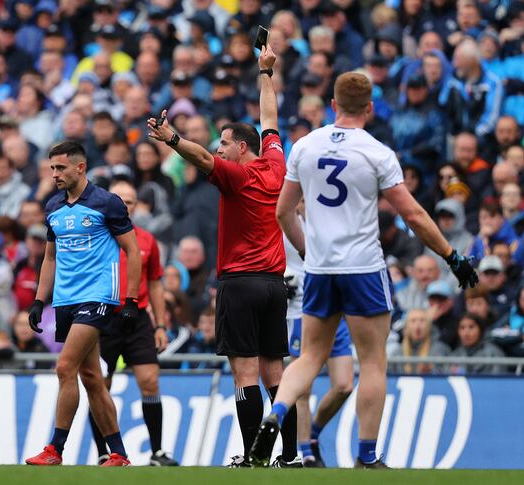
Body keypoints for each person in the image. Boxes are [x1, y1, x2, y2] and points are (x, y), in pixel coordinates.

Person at [252, 72, 478, 469]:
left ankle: (277, 413)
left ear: (333, 105)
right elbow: (413, 215)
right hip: (363, 269)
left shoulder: (305, 146)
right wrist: (451, 256)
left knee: (308, 358)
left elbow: (283, 211)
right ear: (370, 108)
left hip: (319, 272)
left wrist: (309, 251)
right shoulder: (376, 153)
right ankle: (366, 456)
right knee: (372, 362)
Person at [147, 43, 294, 468]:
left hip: (239, 284)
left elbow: (201, 157)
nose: (221, 147)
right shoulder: (275, 163)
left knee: (244, 375)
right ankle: (290, 455)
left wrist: (173, 138)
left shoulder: (236, 174)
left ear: (242, 149)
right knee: (276, 374)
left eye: (226, 142)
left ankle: (253, 458)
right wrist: (265, 72)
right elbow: (270, 117)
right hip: (273, 284)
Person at [24, 141, 141, 467]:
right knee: (91, 377)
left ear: (80, 167)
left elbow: (133, 251)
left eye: (60, 168)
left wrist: (130, 300)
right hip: (65, 300)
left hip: (98, 297)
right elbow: (50, 257)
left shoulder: (107, 203)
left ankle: (55, 449)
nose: (55, 174)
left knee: (65, 367)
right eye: (52, 168)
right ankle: (118, 453)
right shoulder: (53, 207)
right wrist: (38, 301)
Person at [86, 180, 177, 466]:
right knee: (101, 385)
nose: (126, 206)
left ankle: (157, 452)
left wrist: (160, 324)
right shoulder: (96, 237)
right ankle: (105, 452)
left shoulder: (147, 240)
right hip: (104, 318)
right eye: (121, 200)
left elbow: (155, 283)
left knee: (150, 381)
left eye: (131, 202)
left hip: (136, 317)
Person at [283, 208, 353, 468]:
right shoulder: (284, 222)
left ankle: (312, 434)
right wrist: (281, 278)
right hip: (301, 311)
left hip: (334, 310)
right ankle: (305, 453)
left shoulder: (330, 219)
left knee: (344, 385)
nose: (302, 202)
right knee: (303, 389)